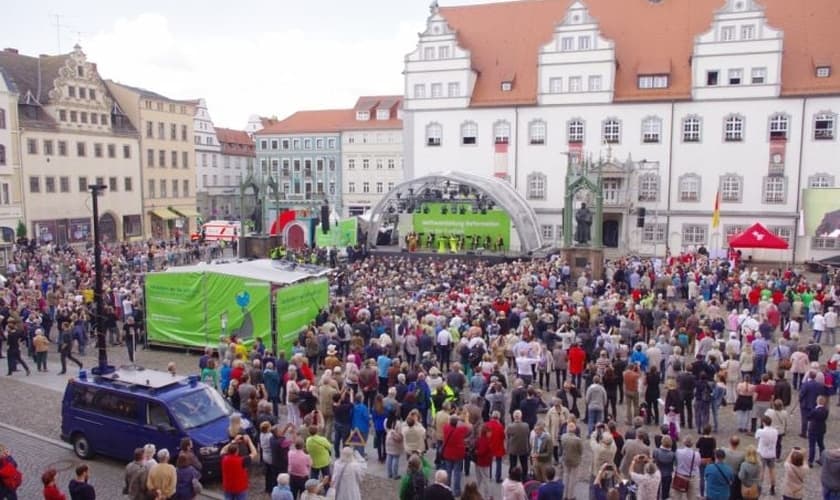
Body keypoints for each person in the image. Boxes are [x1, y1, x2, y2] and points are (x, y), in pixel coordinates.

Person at [220, 434, 258, 500]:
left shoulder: (224, 458)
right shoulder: (242, 460)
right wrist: (249, 441)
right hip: (240, 487)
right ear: (237, 451)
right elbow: (254, 453)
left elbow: (223, 450)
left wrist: (233, 441)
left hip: (228, 486)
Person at [754, 415, 778, 495]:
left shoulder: (761, 431)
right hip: (772, 453)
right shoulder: (775, 431)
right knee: (772, 470)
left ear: (763, 423)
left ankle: (759, 487)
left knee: (761, 471)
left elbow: (756, 437)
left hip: (762, 453)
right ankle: (772, 487)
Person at [560, 422, 583, 500]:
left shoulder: (563, 437)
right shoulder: (577, 440)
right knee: (572, 478)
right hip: (575, 460)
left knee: (565, 476)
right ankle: (571, 495)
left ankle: (564, 495)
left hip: (566, 459)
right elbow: (581, 451)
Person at [505, 410, 530, 478]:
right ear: (521, 416)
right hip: (523, 447)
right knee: (524, 464)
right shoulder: (526, 425)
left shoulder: (510, 426)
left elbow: (508, 437)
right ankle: (524, 477)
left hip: (513, 448)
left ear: (513, 417)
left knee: (513, 464)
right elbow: (527, 434)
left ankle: (512, 477)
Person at [808, 395, 829, 467]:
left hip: (813, 429)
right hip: (821, 428)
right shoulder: (826, 410)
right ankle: (822, 459)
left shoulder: (814, 410)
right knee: (821, 444)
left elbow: (809, 417)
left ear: (817, 401)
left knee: (812, 445)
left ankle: (810, 461)